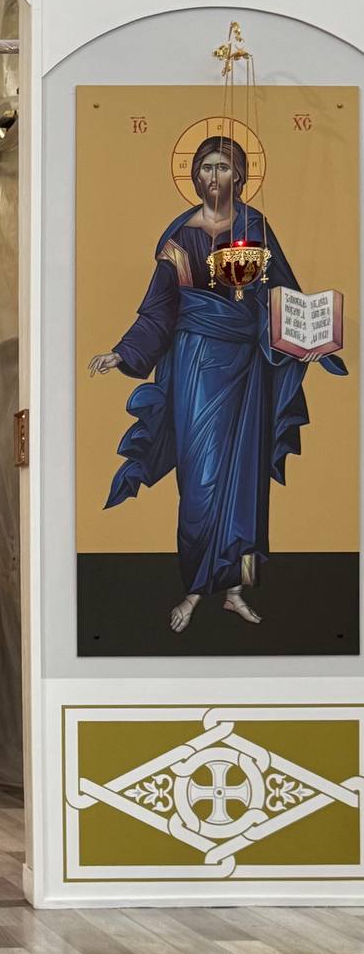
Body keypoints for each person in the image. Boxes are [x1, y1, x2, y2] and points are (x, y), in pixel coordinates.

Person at [89, 135, 346, 633]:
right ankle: (193, 588)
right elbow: (159, 309)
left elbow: (285, 298)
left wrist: (310, 338)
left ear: (240, 176)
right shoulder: (179, 237)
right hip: (196, 365)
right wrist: (123, 351)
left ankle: (234, 590)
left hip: (248, 367)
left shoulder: (256, 227)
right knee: (200, 482)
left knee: (246, 482)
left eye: (223, 167)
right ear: (194, 175)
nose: (213, 176)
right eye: (205, 167)